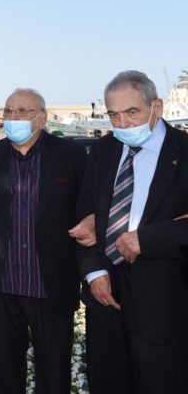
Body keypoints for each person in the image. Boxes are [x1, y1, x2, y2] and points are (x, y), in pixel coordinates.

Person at [72, 70, 188, 394]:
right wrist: (93, 271)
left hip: (166, 311)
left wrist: (146, 240)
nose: (122, 124)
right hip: (106, 304)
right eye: (113, 115)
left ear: (158, 107)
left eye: (131, 112)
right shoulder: (103, 151)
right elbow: (85, 217)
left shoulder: (185, 152)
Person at [0, 88, 87, 394]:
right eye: (8, 111)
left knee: (54, 372)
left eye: (23, 111)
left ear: (42, 119)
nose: (14, 117)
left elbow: (86, 213)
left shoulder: (71, 156)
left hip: (50, 283)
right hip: (3, 283)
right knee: (7, 373)